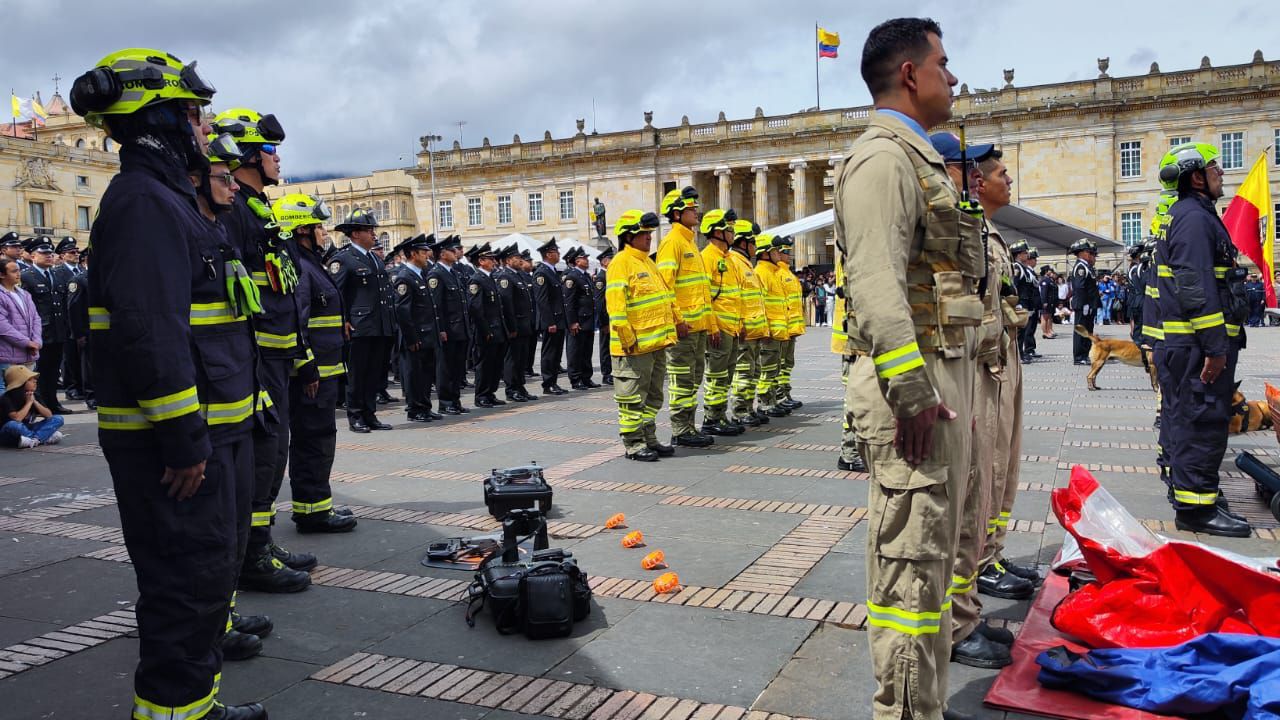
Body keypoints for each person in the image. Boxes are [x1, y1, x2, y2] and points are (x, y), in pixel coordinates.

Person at [70, 47, 267, 718]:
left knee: (208, 578)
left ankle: (196, 706)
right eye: (194, 112)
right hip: (172, 446)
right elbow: (150, 331)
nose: (205, 126)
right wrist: (184, 438)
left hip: (208, 433)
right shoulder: (144, 203)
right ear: (159, 120)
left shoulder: (168, 199)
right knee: (185, 588)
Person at [838, 19, 978, 720]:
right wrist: (915, 393)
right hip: (909, 390)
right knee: (909, 565)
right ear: (910, 73)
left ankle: (921, 704)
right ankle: (902, 713)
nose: (953, 78)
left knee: (931, 563)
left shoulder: (913, 157)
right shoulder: (884, 160)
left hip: (933, 374)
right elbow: (874, 285)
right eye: (944, 64)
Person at [926, 132, 1020, 671]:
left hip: (985, 360)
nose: (993, 178)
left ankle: (967, 603)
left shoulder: (975, 227)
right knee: (965, 496)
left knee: (989, 481)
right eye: (979, 168)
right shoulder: (945, 223)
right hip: (965, 369)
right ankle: (957, 621)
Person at [212, 108, 315, 592]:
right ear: (250, 153)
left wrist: (300, 352)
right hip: (256, 359)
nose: (278, 160)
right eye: (271, 151)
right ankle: (252, 555)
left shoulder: (257, 209)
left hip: (277, 356)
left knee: (274, 454)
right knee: (263, 455)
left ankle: (262, 541)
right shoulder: (234, 212)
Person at [1155, 142, 1251, 537]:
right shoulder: (1194, 218)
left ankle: (1194, 496)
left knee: (1190, 419)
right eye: (1214, 169)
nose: (1222, 174)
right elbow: (1195, 285)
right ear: (1196, 177)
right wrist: (1214, 347)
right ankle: (1197, 509)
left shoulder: (1193, 214)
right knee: (1203, 422)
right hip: (1198, 347)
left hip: (1192, 345)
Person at [272, 193, 358, 534]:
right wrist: (306, 367)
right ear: (300, 231)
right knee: (313, 441)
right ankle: (312, 512)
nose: (323, 231)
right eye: (316, 226)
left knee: (320, 439)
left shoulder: (310, 262)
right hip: (312, 374)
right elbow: (297, 321)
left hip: (325, 369)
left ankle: (316, 505)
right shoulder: (299, 267)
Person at [606, 210, 677, 461]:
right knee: (632, 398)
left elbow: (665, 299)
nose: (648, 238)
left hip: (656, 343)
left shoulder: (648, 262)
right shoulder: (621, 263)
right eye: (643, 234)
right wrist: (627, 339)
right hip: (634, 346)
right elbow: (616, 307)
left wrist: (675, 323)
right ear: (628, 237)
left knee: (653, 396)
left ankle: (649, 437)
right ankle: (633, 444)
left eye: (648, 233)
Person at [656, 186, 716, 447]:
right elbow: (665, 286)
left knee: (693, 381)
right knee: (682, 381)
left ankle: (689, 426)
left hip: (698, 327)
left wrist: (710, 324)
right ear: (677, 214)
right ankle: (681, 429)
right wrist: (677, 320)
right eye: (691, 209)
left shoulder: (690, 242)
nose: (696, 212)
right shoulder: (672, 243)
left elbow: (702, 291)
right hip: (685, 328)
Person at [331, 208, 396, 432]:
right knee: (357, 374)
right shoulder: (344, 259)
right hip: (358, 326)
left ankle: (370, 414)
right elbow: (335, 293)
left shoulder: (375, 260)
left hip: (379, 324)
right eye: (369, 230)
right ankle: (356, 416)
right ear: (356, 234)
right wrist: (343, 321)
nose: (374, 234)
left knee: (374, 373)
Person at [698, 209, 746, 437]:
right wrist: (712, 326)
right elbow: (705, 296)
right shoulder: (707, 258)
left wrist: (741, 323)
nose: (733, 232)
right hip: (719, 328)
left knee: (726, 376)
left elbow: (735, 295)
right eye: (729, 228)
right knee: (716, 376)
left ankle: (720, 414)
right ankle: (711, 417)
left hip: (732, 326)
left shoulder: (727, 258)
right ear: (718, 232)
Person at [392, 233, 442, 421]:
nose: (427, 255)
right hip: (416, 338)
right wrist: (412, 339)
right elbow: (403, 312)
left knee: (426, 374)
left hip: (427, 335)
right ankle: (415, 409)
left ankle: (425, 406)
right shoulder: (405, 277)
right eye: (423, 252)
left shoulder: (420, 275)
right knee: (414, 375)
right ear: (413, 254)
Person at [21, 236, 73, 414]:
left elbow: (63, 304)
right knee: (40, 371)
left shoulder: (57, 274)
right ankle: (40, 405)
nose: (49, 256)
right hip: (40, 332)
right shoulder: (27, 276)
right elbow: (27, 309)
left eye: (50, 253)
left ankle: (53, 402)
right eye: (44, 253)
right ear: (33, 256)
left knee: (53, 370)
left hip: (57, 330)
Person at [729, 220, 770, 426]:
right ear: (743, 243)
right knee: (743, 372)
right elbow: (735, 297)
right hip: (744, 329)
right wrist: (741, 323)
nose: (755, 246)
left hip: (753, 329)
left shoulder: (746, 263)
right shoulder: (734, 262)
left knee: (753, 372)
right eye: (752, 241)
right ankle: (739, 410)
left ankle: (748, 407)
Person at [428, 235, 471, 414]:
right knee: (445, 368)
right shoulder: (436, 274)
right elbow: (436, 306)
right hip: (448, 329)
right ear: (442, 254)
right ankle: (446, 402)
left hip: (459, 328)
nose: (456, 253)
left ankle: (455, 400)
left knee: (457, 367)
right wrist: (441, 329)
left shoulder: (453, 272)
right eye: (452, 250)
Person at [752, 234, 791, 418]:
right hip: (769, 332)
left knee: (773, 369)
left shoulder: (772, 273)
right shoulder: (761, 273)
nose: (779, 253)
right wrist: (765, 329)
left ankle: (772, 400)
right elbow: (760, 304)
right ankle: (765, 403)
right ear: (765, 253)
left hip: (777, 331)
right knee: (766, 369)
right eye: (775, 250)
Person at [467, 243, 509, 407]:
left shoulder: (490, 278)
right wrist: (486, 330)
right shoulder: (476, 279)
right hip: (486, 331)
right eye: (490, 259)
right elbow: (476, 308)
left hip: (497, 329)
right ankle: (482, 395)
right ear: (481, 261)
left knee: (495, 364)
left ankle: (490, 392)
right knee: (484, 365)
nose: (494, 262)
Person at [496, 243, 537, 402]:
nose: (520, 260)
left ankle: (520, 387)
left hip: (524, 325)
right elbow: (507, 305)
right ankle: (512, 389)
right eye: (516, 258)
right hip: (515, 326)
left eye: (520, 257)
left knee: (521, 359)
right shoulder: (505, 277)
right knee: (512, 359)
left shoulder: (519, 275)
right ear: (507, 260)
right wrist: (511, 327)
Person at [533, 238, 568, 395]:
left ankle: (553, 381)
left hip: (559, 319)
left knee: (556, 353)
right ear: (548, 254)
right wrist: (549, 322)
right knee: (549, 353)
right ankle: (548, 383)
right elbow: (542, 300)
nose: (559, 254)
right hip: (551, 321)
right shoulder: (541, 272)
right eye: (556, 252)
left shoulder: (552, 271)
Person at [55, 237, 87, 402]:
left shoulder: (81, 270)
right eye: (71, 252)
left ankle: (82, 385)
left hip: (80, 321)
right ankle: (71, 387)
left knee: (81, 357)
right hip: (66, 322)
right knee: (70, 358)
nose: (75, 254)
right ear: (61, 256)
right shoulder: (58, 273)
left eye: (76, 252)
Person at [0, 365, 64, 448]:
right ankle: (42, 437)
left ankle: (35, 440)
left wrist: (34, 401)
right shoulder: (6, 398)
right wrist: (29, 402)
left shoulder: (34, 395)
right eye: (30, 379)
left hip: (26, 429)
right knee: (13, 425)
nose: (35, 381)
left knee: (58, 418)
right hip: (7, 431)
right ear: (20, 383)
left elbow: (49, 415)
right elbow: (17, 419)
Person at [563, 247, 599, 389]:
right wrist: (572, 322)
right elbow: (569, 302)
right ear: (577, 261)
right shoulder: (572, 277)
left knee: (586, 351)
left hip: (588, 320)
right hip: (578, 320)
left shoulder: (585, 276)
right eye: (584, 258)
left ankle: (586, 377)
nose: (587, 260)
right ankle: (576, 378)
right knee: (575, 351)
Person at [775, 237, 805, 410]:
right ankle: (779, 395)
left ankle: (785, 392)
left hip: (791, 327)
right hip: (783, 327)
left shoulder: (788, 273)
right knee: (779, 364)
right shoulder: (778, 273)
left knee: (787, 364)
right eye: (785, 252)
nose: (788, 255)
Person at [0, 256, 40, 376]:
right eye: (14, 271)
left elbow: (36, 319)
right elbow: (3, 326)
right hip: (8, 355)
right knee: (7, 391)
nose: (18, 274)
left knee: (27, 391)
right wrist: (26, 342)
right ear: (2, 275)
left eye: (18, 270)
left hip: (29, 354)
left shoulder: (25, 294)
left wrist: (37, 341)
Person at [1070, 239, 1100, 365]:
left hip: (1088, 304)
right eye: (1088, 252)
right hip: (1083, 304)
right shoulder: (1080, 267)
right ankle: (1079, 356)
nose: (1090, 254)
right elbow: (1080, 287)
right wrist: (1085, 304)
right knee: (1080, 331)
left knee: (1087, 330)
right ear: (1081, 253)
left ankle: (1085, 354)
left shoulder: (1086, 267)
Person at [594, 247, 614, 385]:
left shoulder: (611, 275)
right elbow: (600, 302)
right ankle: (606, 374)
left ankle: (611, 372)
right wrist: (604, 323)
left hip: (613, 318)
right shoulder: (601, 277)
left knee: (611, 346)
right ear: (604, 262)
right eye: (611, 259)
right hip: (606, 319)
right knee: (605, 347)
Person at [1039, 267, 1058, 339]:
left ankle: (1048, 331)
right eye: (1050, 270)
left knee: (1049, 317)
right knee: (1044, 317)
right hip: (1046, 301)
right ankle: (1045, 332)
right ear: (1046, 271)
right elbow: (1044, 292)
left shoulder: (1049, 280)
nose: (1051, 272)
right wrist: (1044, 301)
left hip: (1050, 302)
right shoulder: (1044, 280)